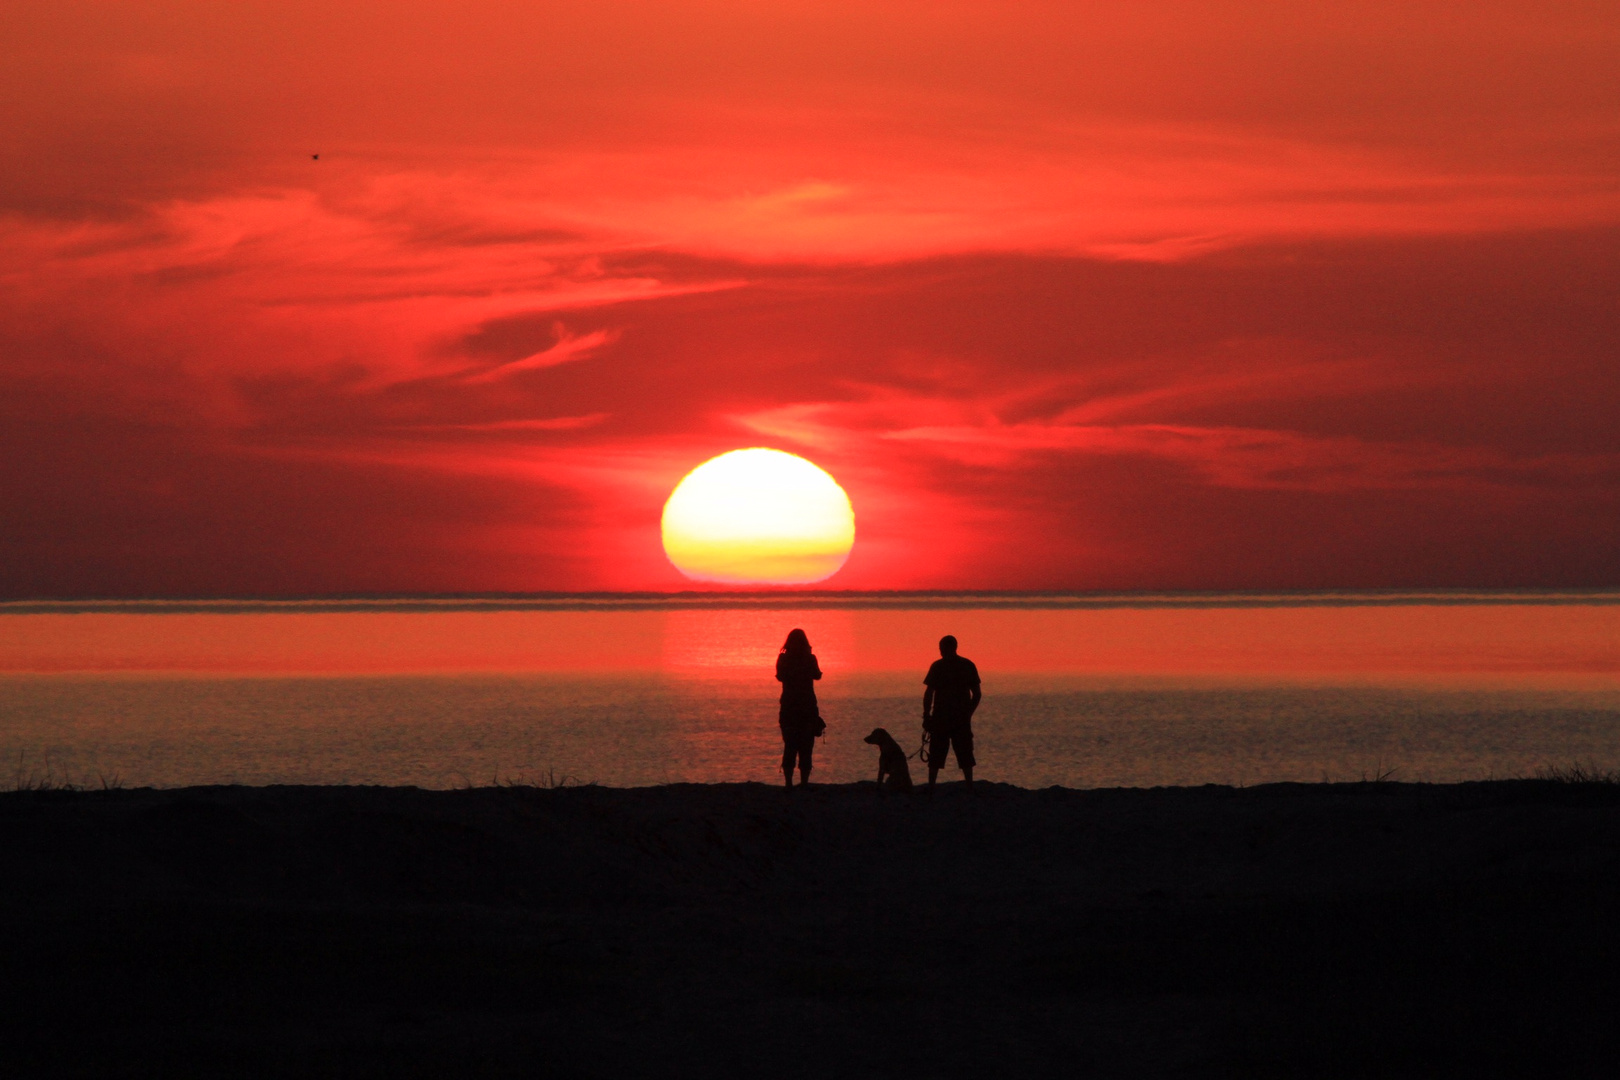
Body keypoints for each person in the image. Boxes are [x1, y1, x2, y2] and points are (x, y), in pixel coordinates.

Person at [922, 634, 981, 790]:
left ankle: (931, 788)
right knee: (964, 754)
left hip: (942, 718)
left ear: (946, 648)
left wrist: (927, 715)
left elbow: (929, 693)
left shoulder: (938, 666)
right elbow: (977, 694)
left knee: (938, 755)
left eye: (941, 648)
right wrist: (968, 713)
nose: (940, 651)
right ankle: (969, 787)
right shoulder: (968, 665)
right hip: (958, 718)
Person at [775, 628, 824, 787]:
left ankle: (789, 783)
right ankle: (804, 782)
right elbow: (817, 675)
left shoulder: (783, 658)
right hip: (807, 707)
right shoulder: (809, 659)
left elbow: (780, 676)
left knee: (790, 745)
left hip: (789, 706)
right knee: (806, 746)